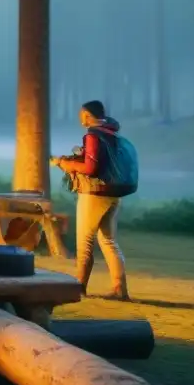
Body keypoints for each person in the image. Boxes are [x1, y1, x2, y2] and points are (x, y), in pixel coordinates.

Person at [51, 100, 138, 300]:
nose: (80, 118)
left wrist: (65, 163)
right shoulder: (112, 134)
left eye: (82, 114)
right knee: (108, 241)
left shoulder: (93, 135)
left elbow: (90, 169)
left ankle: (79, 288)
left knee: (85, 242)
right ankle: (119, 288)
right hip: (114, 194)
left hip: (95, 194)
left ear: (88, 115)